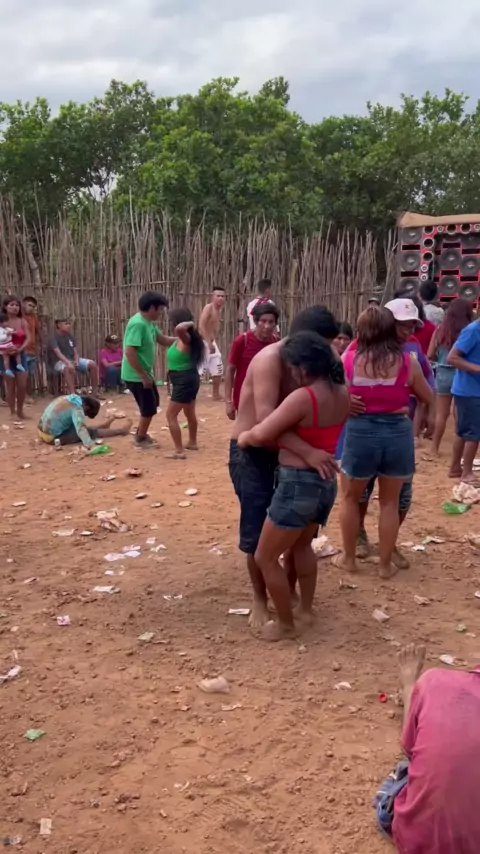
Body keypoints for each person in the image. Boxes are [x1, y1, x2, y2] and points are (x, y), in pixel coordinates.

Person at [229, 305, 344, 627]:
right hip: (256, 454)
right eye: (323, 344)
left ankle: (288, 594)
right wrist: (310, 452)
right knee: (257, 533)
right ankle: (260, 598)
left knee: (297, 535)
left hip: (299, 462)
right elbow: (265, 421)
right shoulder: (269, 359)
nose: (328, 352)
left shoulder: (324, 361)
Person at [335, 305, 433, 579]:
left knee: (350, 498)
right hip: (397, 432)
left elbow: (332, 394)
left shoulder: (348, 360)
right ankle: (385, 565)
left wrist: (348, 401)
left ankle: (349, 559)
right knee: (390, 502)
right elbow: (427, 396)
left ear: (361, 332)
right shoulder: (407, 362)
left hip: (360, 432)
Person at [375, 643, 480, 854]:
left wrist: (410, 686)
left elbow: (409, 749)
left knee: (406, 770)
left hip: (415, 841)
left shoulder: (435, 681)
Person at [121, 291, 173, 449]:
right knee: (148, 407)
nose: (161, 313)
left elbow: (163, 340)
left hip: (143, 373)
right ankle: (140, 439)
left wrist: (184, 339)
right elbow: (129, 351)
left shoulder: (148, 323)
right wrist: (143, 376)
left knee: (152, 403)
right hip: (135, 375)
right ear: (151, 308)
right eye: (160, 309)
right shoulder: (138, 324)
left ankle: (141, 434)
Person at [428, 298, 474, 458]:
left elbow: (430, 354)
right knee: (459, 415)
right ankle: (459, 451)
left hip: (443, 374)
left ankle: (434, 449)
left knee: (441, 414)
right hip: (463, 375)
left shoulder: (440, 330)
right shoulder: (469, 331)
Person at [225, 302, 279, 420]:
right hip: (244, 398)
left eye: (271, 322)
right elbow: (230, 370)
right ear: (255, 321)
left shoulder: (276, 343)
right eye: (263, 321)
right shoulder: (242, 341)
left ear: (275, 324)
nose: (267, 326)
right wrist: (228, 401)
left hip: (268, 399)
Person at [165, 308, 204, 459]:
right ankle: (192, 442)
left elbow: (180, 328)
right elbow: (163, 339)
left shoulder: (186, 337)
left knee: (171, 414)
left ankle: (179, 450)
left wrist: (191, 323)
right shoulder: (180, 339)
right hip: (187, 379)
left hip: (184, 380)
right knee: (189, 412)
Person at [447, 313, 480, 483]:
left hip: (470, 390)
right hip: (470, 391)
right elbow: (452, 357)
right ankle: (467, 473)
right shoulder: (473, 330)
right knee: (473, 433)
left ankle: (455, 467)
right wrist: (477, 369)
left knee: (463, 430)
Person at [38, 393, 131, 448]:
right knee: (89, 432)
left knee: (81, 427)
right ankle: (121, 431)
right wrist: (89, 443)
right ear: (86, 408)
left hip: (42, 432)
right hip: (52, 438)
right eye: (86, 413)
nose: (84, 415)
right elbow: (81, 429)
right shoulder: (77, 408)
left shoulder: (70, 398)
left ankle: (103, 427)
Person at [48, 319, 100, 397]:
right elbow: (58, 353)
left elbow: (75, 352)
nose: (69, 326)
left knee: (93, 364)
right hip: (59, 362)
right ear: (59, 325)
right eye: (66, 324)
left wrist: (76, 360)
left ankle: (94, 392)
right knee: (67, 368)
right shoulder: (54, 338)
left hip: (72, 359)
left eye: (69, 324)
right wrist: (68, 363)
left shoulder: (70, 336)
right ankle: (73, 394)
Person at [2, 295, 30, 419]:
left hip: (20, 354)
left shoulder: (22, 321)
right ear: (5, 307)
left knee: (22, 385)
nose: (15, 307)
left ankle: (20, 411)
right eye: (12, 305)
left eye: (17, 305)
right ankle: (12, 412)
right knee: (10, 386)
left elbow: (28, 338)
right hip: (5, 355)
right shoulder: (1, 321)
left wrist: (20, 349)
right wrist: (6, 349)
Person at [198, 287, 225, 400]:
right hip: (204, 342)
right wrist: (208, 342)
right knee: (200, 370)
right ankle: (190, 394)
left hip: (211, 342)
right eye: (218, 296)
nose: (220, 298)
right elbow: (201, 326)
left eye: (222, 296)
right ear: (212, 297)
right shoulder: (208, 308)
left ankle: (216, 394)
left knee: (218, 367)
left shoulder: (218, 310)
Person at [22, 296, 40, 385]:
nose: (31, 308)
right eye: (29, 305)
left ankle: (28, 392)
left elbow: (38, 331)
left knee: (29, 375)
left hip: (32, 350)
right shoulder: (19, 317)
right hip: (22, 350)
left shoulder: (34, 317)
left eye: (33, 306)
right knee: (21, 375)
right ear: (23, 304)